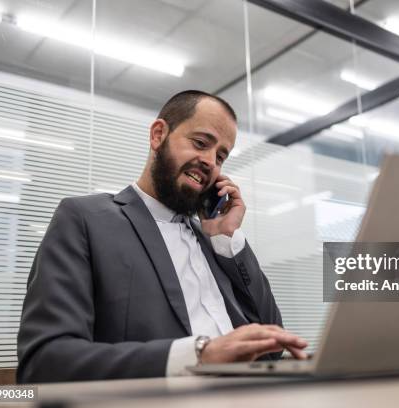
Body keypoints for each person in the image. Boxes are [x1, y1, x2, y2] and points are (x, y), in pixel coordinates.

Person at [17, 90, 308, 383]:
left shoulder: (214, 241)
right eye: (200, 143)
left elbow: (272, 347)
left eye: (220, 156)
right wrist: (198, 355)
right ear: (158, 135)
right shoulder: (85, 218)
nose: (210, 162)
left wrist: (226, 237)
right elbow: (44, 362)